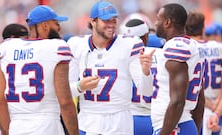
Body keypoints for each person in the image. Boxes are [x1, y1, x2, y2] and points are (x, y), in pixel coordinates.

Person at [67, 1, 154, 134]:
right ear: (93, 21)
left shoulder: (130, 44)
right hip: (87, 122)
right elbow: (65, 92)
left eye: (114, 20)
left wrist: (146, 72)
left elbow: (146, 92)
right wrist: (80, 86)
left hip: (119, 124)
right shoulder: (76, 45)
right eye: (106, 21)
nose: (111, 25)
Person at [0, 5, 79, 135]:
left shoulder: (9, 48)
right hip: (47, 127)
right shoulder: (56, 48)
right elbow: (65, 103)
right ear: (45, 26)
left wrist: (7, 131)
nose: (59, 28)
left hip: (17, 127)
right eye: (56, 23)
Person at [140, 3, 205, 135]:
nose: (156, 23)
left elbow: (177, 100)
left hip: (174, 127)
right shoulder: (193, 45)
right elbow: (200, 99)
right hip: (183, 125)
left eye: (159, 19)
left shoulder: (176, 46)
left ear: (167, 22)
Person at [186, 11, 222, 135]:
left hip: (192, 111)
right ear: (203, 28)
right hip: (216, 110)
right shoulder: (221, 48)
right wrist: (216, 110)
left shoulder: (185, 48)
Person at [0, 23, 29, 135]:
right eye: (24, 38)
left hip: (22, 121)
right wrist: (4, 129)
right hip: (2, 122)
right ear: (13, 39)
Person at [120, 18, 153, 135]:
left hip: (126, 118)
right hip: (154, 117)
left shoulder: (118, 57)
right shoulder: (160, 53)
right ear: (146, 37)